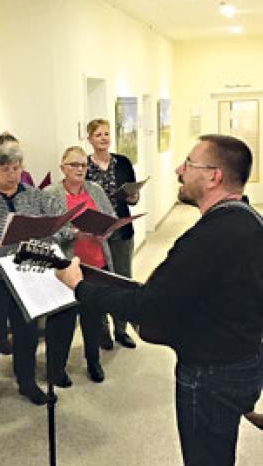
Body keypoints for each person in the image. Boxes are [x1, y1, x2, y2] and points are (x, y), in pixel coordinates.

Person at [55, 135, 263, 465]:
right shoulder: (250, 221)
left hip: (210, 375)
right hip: (243, 363)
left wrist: (80, 287)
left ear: (214, 176)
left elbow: (147, 306)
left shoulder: (207, 238)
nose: (179, 169)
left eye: (189, 164)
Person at [0, 144, 71, 406]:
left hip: (24, 275)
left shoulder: (34, 196)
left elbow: (60, 227)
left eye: (16, 168)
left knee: (27, 332)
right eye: (5, 169)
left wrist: (47, 235)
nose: (12, 174)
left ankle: (27, 381)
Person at [41, 146, 110, 385]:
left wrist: (106, 231)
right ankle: (56, 369)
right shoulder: (50, 194)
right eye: (74, 165)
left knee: (93, 319)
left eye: (83, 165)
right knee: (62, 321)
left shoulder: (95, 190)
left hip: (95, 265)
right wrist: (72, 233)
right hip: (65, 267)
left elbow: (110, 217)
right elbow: (44, 232)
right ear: (63, 167)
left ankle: (93, 361)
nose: (80, 169)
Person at [84, 118, 140, 349]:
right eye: (98, 135)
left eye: (106, 134)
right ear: (89, 139)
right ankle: (102, 330)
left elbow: (133, 198)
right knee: (99, 282)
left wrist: (133, 197)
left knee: (123, 280)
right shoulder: (84, 166)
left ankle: (121, 329)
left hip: (121, 230)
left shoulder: (123, 162)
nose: (104, 138)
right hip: (95, 233)